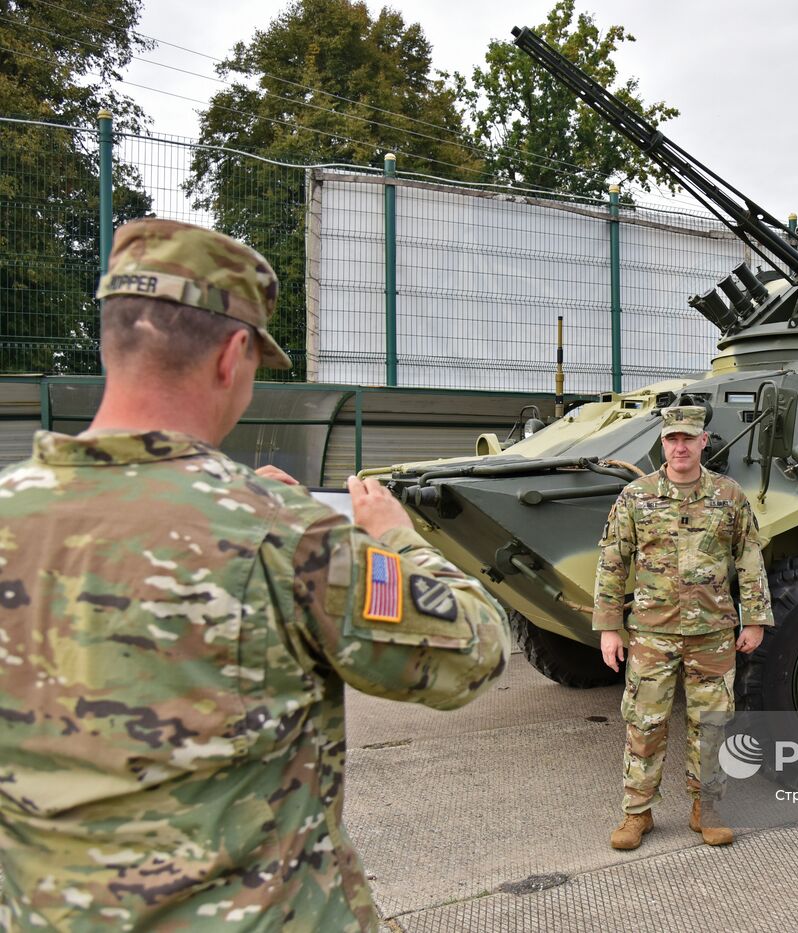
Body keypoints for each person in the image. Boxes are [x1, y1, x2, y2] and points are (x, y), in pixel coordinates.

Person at [0, 219, 510, 931]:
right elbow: (477, 649)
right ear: (233, 353)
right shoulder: (285, 535)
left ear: (113, 342)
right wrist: (392, 537)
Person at [593, 405, 772, 849]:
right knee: (644, 723)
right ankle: (637, 813)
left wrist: (755, 618)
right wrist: (609, 627)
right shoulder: (636, 496)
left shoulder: (729, 496)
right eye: (672, 439)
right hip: (652, 633)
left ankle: (704, 809)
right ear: (663, 443)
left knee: (710, 724)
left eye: (687, 439)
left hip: (712, 633)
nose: (679, 447)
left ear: (703, 442)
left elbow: (749, 557)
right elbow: (613, 559)